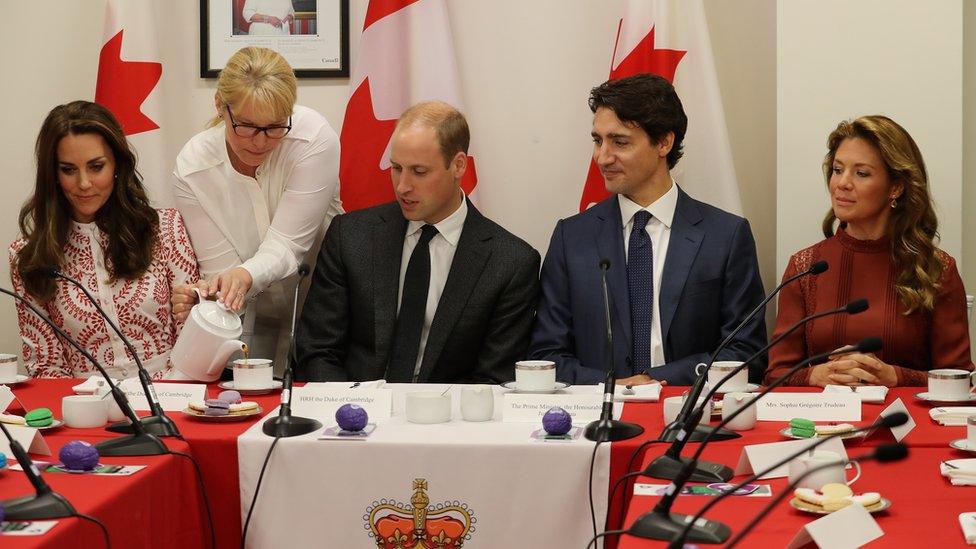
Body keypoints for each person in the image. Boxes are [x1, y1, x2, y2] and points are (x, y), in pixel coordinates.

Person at [529, 74, 767, 386]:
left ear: (664, 143)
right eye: (597, 140)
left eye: (619, 142)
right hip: (596, 420)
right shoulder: (572, 238)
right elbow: (546, 356)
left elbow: (746, 353)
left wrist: (654, 380)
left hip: (687, 416)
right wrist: (612, 388)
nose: (602, 157)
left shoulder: (726, 236)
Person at [295, 101, 540, 383]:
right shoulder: (350, 236)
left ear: (458, 165)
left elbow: (494, 379)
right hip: (353, 413)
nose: (403, 186)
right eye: (397, 168)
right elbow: (317, 350)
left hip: (449, 420)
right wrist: (352, 413)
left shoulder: (510, 262)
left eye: (419, 172)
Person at [766, 115, 973, 387]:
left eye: (861, 173)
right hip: (819, 424)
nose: (842, 183)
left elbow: (961, 381)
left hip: (905, 425)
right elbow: (774, 375)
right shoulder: (806, 266)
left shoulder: (935, 269)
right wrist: (816, 375)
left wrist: (895, 376)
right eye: (838, 170)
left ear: (896, 188)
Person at [171, 46, 341, 370]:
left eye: (275, 127)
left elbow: (289, 246)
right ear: (221, 106)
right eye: (247, 126)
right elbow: (222, 268)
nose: (260, 142)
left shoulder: (313, 138)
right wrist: (213, 291)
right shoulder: (192, 168)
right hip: (248, 325)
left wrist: (240, 277)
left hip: (324, 314)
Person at [10, 101, 199, 379]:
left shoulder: (165, 228)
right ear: (53, 174)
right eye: (68, 169)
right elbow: (45, 365)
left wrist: (162, 399)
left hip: (172, 397)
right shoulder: (29, 255)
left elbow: (191, 333)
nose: (84, 183)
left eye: (96, 167)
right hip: (84, 409)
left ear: (116, 166)